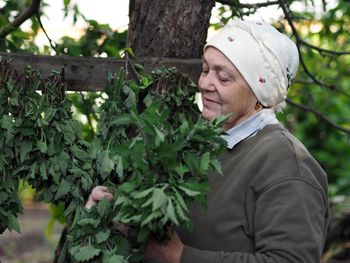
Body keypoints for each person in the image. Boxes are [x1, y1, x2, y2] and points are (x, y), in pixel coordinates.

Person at [87, 19, 329, 263]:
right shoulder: (204, 144)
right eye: (205, 70)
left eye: (223, 78)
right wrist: (126, 209)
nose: (203, 84)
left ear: (260, 93)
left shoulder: (285, 163)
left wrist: (179, 256)